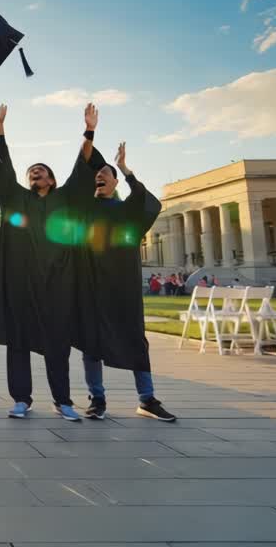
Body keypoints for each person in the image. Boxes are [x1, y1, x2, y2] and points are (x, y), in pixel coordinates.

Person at [0, 102, 104, 421]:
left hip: (57, 282)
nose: (34, 172)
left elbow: (82, 169)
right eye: (31, 171)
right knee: (18, 343)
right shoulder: (17, 198)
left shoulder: (64, 197)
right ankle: (21, 399)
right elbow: (5, 165)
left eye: (41, 170)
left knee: (58, 343)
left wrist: (89, 131)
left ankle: (62, 400)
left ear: (51, 179)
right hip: (21, 281)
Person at [76, 142, 176, 422]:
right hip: (92, 287)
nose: (100, 175)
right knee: (92, 344)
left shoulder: (127, 211)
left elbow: (146, 199)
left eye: (106, 173)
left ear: (115, 181)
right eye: (97, 174)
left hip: (124, 287)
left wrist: (124, 168)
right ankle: (97, 399)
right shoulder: (83, 211)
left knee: (135, 341)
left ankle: (147, 399)